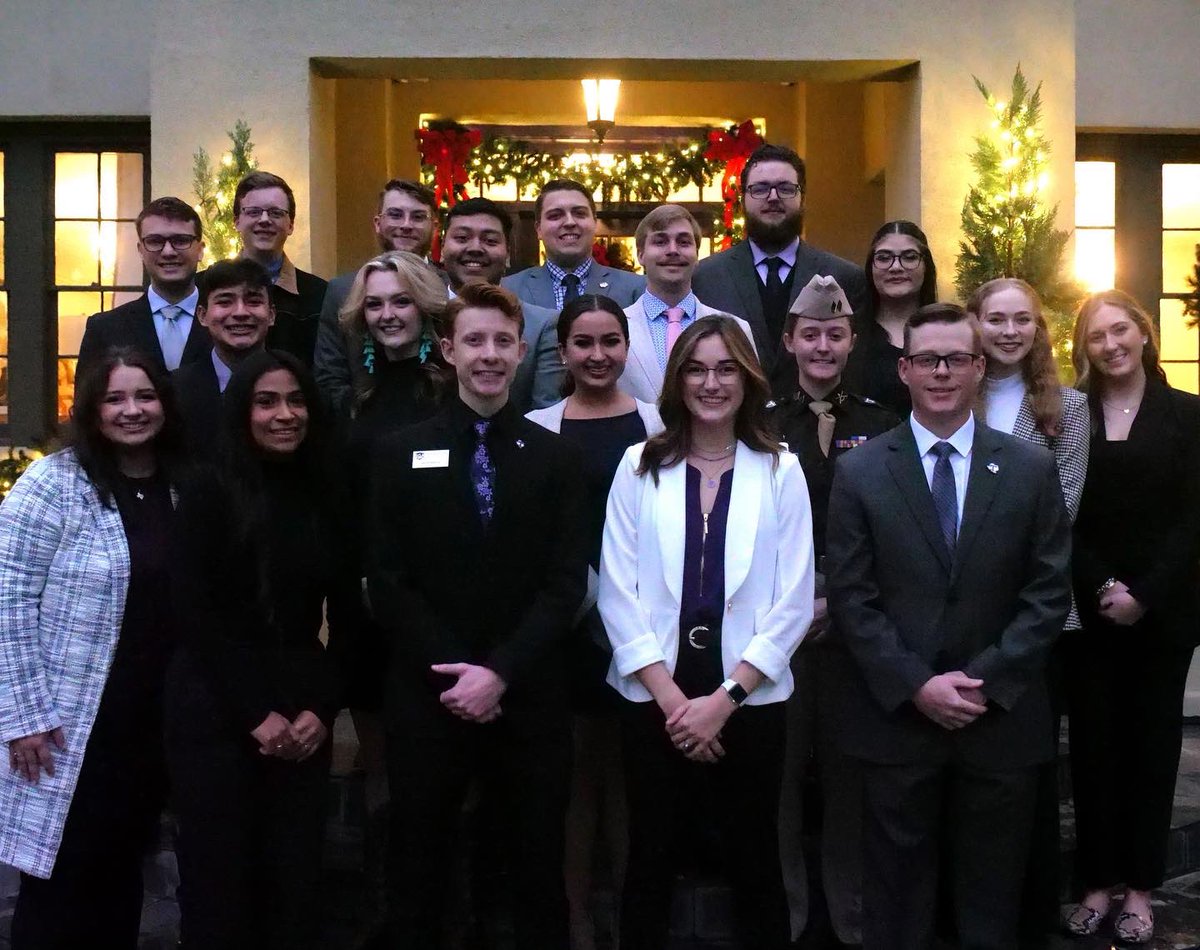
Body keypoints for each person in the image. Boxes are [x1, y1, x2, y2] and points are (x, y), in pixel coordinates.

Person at [826, 303, 1072, 950]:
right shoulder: (860, 471)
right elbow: (853, 598)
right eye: (927, 359)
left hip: (1000, 726)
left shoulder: (1028, 468)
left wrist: (984, 681)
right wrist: (917, 685)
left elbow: (1047, 592)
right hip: (897, 724)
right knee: (897, 910)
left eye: (956, 359)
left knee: (990, 911)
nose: (941, 372)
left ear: (979, 367)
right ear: (904, 369)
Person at [367, 282, 588, 948]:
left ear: (521, 352)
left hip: (530, 700)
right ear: (447, 350)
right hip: (429, 697)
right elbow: (388, 580)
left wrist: (499, 673)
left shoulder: (557, 459)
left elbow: (564, 585)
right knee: (421, 872)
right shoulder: (398, 452)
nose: (488, 355)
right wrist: (459, 677)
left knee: (533, 874)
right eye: (474, 341)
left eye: (501, 342)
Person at [599, 316, 815, 950]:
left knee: (756, 858)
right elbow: (617, 592)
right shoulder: (638, 464)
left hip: (748, 694)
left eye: (725, 369)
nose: (711, 383)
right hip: (655, 694)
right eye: (696, 369)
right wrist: (676, 705)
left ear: (747, 379)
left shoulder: (781, 469)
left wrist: (724, 703)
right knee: (650, 858)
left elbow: (794, 600)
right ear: (676, 381)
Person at [166, 350, 354, 950]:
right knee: (220, 887)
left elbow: (349, 612)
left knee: (295, 884)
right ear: (241, 410)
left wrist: (320, 711)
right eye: (266, 402)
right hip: (215, 702)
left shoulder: (328, 489)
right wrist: (254, 713)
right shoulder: (204, 487)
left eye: (297, 401)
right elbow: (194, 612)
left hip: (301, 703)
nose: (285, 415)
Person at [0, 347, 186, 948]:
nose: (133, 410)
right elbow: (7, 602)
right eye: (115, 398)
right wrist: (23, 716)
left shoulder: (183, 484)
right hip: (68, 726)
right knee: (62, 881)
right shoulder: (54, 483)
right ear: (92, 409)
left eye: (145, 396)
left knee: (122, 873)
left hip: (151, 721)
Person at [1061, 290, 1200, 946]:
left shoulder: (1188, 415)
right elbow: (1063, 514)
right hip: (1087, 614)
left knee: (1151, 749)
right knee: (1092, 751)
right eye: (1096, 336)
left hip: (1164, 613)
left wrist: (1143, 593)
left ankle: (1141, 890)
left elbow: (1193, 520)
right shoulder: (1069, 415)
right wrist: (1104, 585)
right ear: (1082, 350)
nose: (1111, 344)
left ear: (1143, 334)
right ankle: (1095, 883)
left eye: (1121, 331)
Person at [526, 293, 663, 950]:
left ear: (626, 347)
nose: (598, 355)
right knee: (575, 780)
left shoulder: (660, 424)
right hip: (567, 631)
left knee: (634, 778)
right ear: (563, 352)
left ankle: (633, 914)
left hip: (643, 629)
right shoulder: (538, 426)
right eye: (584, 343)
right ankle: (578, 915)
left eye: (611, 341)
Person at [768, 275, 899, 945]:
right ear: (789, 340)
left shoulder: (881, 424)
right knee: (780, 787)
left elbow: (891, 535)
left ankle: (851, 922)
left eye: (835, 333)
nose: (822, 345)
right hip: (777, 642)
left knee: (849, 785)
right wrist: (798, 605)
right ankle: (788, 918)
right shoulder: (760, 424)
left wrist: (838, 604)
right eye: (810, 333)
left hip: (853, 640)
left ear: (852, 341)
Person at [968, 276, 1090, 943]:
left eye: (1022, 320)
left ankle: (1030, 917)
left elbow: (1061, 511)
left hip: (1036, 617)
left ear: (1039, 329)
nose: (1009, 331)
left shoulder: (1067, 409)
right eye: (996, 319)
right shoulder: (953, 392)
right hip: (956, 614)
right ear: (975, 325)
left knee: (1028, 773)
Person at [691, 143, 866, 392]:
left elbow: (855, 368)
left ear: (802, 197)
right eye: (760, 189)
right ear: (742, 199)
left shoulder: (845, 277)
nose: (773, 197)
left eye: (785, 188)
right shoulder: (705, 277)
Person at [314, 179, 439, 413]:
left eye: (418, 217)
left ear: (434, 225)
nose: (406, 225)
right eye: (395, 214)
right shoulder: (341, 290)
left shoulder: (448, 288)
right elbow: (330, 376)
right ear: (378, 223)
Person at [620, 203, 755, 404]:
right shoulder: (616, 330)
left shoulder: (738, 329)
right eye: (660, 241)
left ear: (697, 254)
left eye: (684, 242)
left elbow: (750, 403)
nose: (673, 250)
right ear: (640, 255)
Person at [442, 196, 564, 411]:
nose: (475, 248)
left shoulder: (543, 325)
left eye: (490, 241)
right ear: (442, 248)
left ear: (508, 254)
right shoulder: (419, 313)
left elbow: (547, 413)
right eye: (462, 238)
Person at [77, 196, 210, 378]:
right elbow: (88, 404)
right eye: (155, 241)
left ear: (200, 250)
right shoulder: (105, 329)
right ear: (140, 250)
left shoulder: (227, 323)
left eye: (180, 240)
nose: (168, 251)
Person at [172, 258, 276, 454]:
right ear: (202, 315)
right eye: (225, 302)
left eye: (253, 301)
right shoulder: (174, 392)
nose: (240, 312)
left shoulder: (298, 389)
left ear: (271, 315)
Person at [843, 220, 939, 416]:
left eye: (909, 257)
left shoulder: (948, 331)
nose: (896, 267)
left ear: (926, 266)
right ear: (870, 267)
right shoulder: (845, 333)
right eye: (884, 258)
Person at [233, 170, 327, 367]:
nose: (265, 220)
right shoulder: (206, 288)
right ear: (237, 222)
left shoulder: (320, 295)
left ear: (291, 224)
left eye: (276, 213)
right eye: (254, 212)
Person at [503, 178, 645, 308]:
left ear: (594, 223)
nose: (570, 222)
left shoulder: (637, 289)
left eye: (579, 213)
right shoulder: (508, 289)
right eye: (555, 215)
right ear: (539, 229)